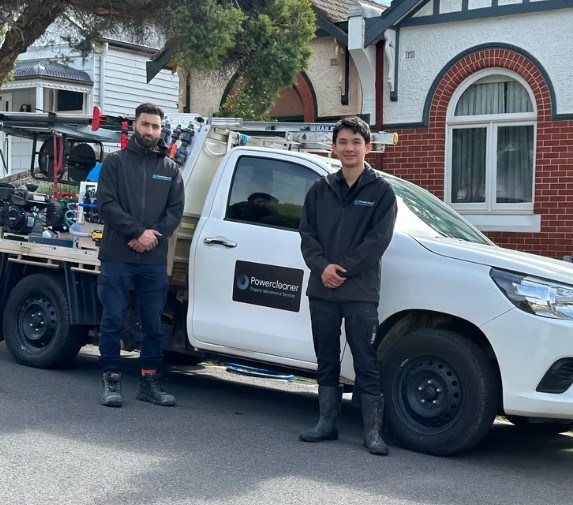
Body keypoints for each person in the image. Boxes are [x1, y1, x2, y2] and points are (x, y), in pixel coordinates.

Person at [298, 116, 397, 455]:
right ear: (334, 147)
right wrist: (323, 268)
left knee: (366, 360)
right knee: (326, 358)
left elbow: (377, 241)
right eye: (343, 142)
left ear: (368, 147)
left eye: (356, 142)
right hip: (322, 289)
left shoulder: (382, 192)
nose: (349, 148)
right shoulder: (320, 189)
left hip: (360, 292)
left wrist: (343, 270)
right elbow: (307, 235)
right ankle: (327, 424)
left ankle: (373, 434)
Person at [96, 103, 184, 408]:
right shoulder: (115, 163)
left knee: (153, 324)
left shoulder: (170, 169)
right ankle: (111, 379)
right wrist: (136, 232)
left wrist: (151, 236)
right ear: (135, 125)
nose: (150, 131)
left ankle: (149, 381)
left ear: (161, 130)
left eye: (155, 126)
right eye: (145, 124)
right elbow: (106, 204)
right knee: (112, 319)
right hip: (117, 255)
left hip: (152, 258)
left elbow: (175, 211)